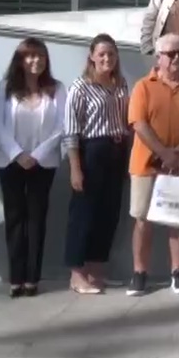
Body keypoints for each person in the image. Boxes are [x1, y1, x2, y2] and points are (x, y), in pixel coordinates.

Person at [126, 33, 179, 296]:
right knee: (143, 220)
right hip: (146, 164)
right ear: (158, 57)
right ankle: (139, 273)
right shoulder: (143, 86)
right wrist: (164, 152)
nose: (177, 58)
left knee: (178, 221)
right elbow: (138, 123)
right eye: (171, 54)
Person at [0, 37, 66, 298]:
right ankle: (16, 279)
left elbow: (63, 126)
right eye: (30, 56)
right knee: (15, 219)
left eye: (41, 56)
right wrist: (18, 154)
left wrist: (37, 154)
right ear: (20, 60)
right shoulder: (6, 87)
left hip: (43, 163)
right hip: (10, 162)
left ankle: (32, 278)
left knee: (36, 219)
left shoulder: (56, 88)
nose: (36, 61)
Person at [63, 35, 130, 296]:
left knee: (108, 213)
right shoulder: (80, 86)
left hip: (116, 150)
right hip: (91, 151)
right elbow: (71, 130)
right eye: (101, 54)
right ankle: (77, 274)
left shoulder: (121, 84)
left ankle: (96, 270)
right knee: (83, 214)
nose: (106, 59)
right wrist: (75, 168)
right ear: (91, 55)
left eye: (111, 54)